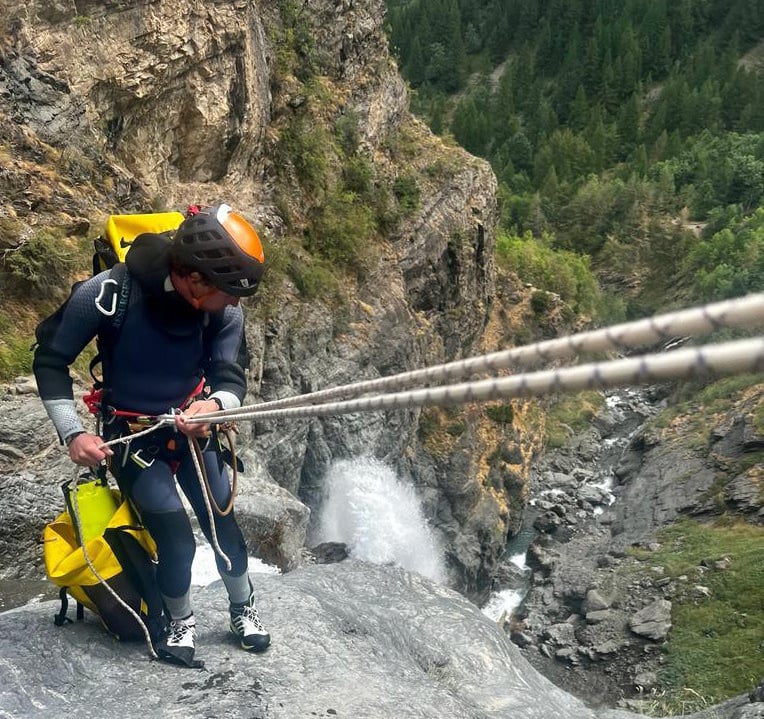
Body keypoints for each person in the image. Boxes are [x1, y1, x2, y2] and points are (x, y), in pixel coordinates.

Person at [33, 203, 269, 667]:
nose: (236, 304)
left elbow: (230, 376)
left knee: (225, 529)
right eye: (229, 293)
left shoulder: (222, 313)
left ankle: (243, 609)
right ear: (196, 282)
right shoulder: (108, 293)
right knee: (176, 540)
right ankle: (180, 621)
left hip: (195, 434)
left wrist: (216, 406)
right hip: (135, 439)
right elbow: (50, 361)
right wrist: (73, 435)